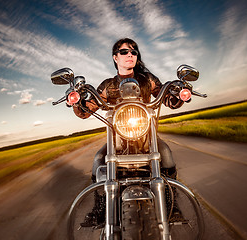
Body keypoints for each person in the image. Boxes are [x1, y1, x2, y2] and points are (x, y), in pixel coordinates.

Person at [73, 38, 184, 227]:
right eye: (124, 52)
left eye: (133, 52)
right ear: (115, 57)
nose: (130, 55)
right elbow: (87, 109)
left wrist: (178, 92)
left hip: (147, 138)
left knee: (165, 153)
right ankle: (99, 209)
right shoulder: (108, 85)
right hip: (118, 140)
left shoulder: (147, 80)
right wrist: (77, 101)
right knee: (99, 159)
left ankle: (171, 205)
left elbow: (168, 99)